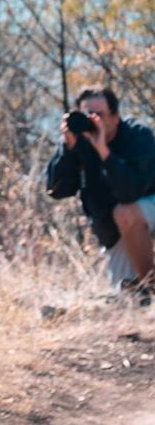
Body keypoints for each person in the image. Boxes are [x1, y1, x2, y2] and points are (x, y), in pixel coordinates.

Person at [46, 86, 155, 297]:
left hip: (147, 207)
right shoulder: (77, 142)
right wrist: (69, 150)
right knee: (128, 297)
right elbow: (57, 190)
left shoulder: (138, 136)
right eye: (87, 115)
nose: (92, 121)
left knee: (126, 213)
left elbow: (130, 192)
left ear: (115, 118)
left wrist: (104, 153)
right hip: (119, 232)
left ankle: (152, 288)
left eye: (99, 115)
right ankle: (146, 292)